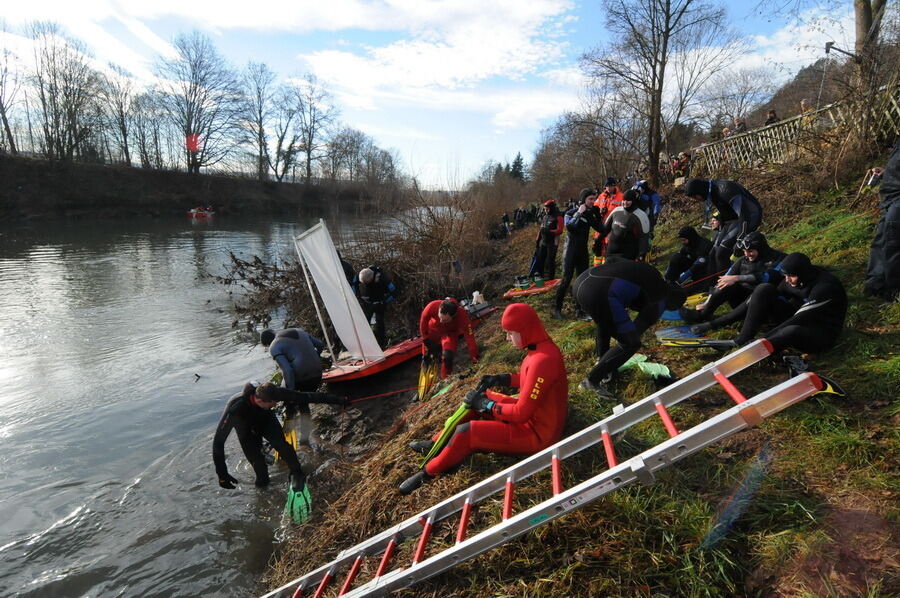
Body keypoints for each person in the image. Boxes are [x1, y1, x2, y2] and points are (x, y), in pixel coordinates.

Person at [399, 303, 568, 494]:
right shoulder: (540, 349)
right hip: (535, 416)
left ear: (524, 330)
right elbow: (530, 379)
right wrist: (502, 379)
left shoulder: (543, 360)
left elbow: (521, 413)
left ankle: (427, 472)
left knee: (467, 432)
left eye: (510, 333)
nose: (507, 338)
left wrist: (486, 405)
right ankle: (436, 442)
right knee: (481, 397)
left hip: (538, 434)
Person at [573, 260, 686, 399]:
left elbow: (609, 322)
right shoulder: (660, 300)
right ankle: (590, 382)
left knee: (607, 319)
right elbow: (633, 334)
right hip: (599, 291)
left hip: (583, 280)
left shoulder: (656, 278)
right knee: (631, 343)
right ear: (671, 304)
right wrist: (615, 358)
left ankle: (601, 363)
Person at [694, 253, 847, 353]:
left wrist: (762, 340)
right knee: (763, 289)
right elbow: (757, 300)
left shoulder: (825, 287)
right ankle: (741, 339)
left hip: (820, 332)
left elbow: (799, 319)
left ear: (803, 273)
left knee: (791, 330)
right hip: (794, 317)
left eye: (791, 276)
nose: (787, 280)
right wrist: (715, 324)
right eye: (785, 276)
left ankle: (755, 350)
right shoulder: (791, 279)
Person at [212, 382, 341, 491]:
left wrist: (338, 399)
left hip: (266, 420)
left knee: (282, 445)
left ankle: (297, 473)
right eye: (273, 403)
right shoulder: (235, 409)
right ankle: (263, 494)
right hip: (245, 430)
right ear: (260, 400)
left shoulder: (272, 392)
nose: (275, 405)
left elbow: (305, 396)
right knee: (260, 469)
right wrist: (222, 474)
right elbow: (218, 442)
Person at [685, 231, 785, 325]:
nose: (747, 254)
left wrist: (737, 278)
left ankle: (723, 321)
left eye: (750, 251)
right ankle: (703, 315)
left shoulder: (778, 258)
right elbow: (723, 280)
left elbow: (766, 277)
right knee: (726, 284)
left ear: (761, 248)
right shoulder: (743, 260)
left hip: (764, 302)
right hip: (741, 300)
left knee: (741, 284)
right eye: (744, 251)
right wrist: (708, 303)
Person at [683, 178, 763, 277]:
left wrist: (740, 238)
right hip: (734, 220)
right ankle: (712, 286)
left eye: (695, 196)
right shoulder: (711, 190)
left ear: (700, 190)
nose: (696, 199)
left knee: (722, 253)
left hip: (749, 216)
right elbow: (725, 212)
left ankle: (727, 286)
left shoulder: (725, 190)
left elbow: (743, 214)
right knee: (713, 253)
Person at [261, 328, 325, 440]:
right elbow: (320, 345)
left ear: (267, 343)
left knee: (302, 404)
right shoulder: (299, 330)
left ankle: (304, 440)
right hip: (318, 373)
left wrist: (290, 393)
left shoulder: (274, 347)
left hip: (305, 378)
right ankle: (304, 435)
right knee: (304, 400)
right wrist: (314, 358)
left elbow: (288, 371)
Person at [553, 187, 603, 319]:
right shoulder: (571, 212)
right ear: (583, 200)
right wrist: (579, 213)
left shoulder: (589, 214)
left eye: (594, 199)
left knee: (581, 281)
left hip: (582, 252)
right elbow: (570, 227)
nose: (593, 201)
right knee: (566, 280)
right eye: (590, 199)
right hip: (570, 251)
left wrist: (598, 215)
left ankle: (579, 310)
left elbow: (601, 229)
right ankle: (556, 309)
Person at [864, 141, 900, 301]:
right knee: (880, 240)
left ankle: (893, 290)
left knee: (892, 246)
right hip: (889, 198)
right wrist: (885, 173)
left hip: (898, 201)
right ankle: (875, 283)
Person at [419, 298, 479, 379]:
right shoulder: (432, 305)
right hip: (432, 331)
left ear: (453, 316)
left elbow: (470, 338)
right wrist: (425, 338)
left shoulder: (462, 316)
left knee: (447, 357)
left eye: (445, 320)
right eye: (440, 317)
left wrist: (474, 358)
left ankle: (444, 379)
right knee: (427, 358)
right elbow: (423, 321)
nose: (441, 321)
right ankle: (424, 373)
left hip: (449, 334)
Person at [352, 266, 398, 347]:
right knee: (365, 320)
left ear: (371, 278)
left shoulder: (382, 278)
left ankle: (381, 343)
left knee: (379, 321)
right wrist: (358, 296)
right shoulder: (362, 274)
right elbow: (354, 283)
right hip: (368, 301)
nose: (365, 284)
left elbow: (394, 292)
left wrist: (384, 301)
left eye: (366, 282)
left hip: (381, 300)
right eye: (364, 283)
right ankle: (366, 343)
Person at [601, 188, 650, 261]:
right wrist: (597, 241)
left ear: (633, 201)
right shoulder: (616, 211)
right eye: (623, 200)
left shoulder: (641, 215)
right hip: (610, 254)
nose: (625, 202)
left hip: (628, 257)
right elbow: (605, 229)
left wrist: (641, 255)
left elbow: (644, 238)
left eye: (628, 200)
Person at [591, 177, 625, 264]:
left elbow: (624, 212)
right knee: (597, 250)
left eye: (611, 186)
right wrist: (600, 211)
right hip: (600, 227)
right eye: (607, 186)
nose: (609, 188)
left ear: (614, 186)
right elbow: (594, 207)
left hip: (612, 228)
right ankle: (597, 269)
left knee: (608, 249)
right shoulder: (601, 196)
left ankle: (606, 267)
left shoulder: (621, 196)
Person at [530, 200, 564, 279]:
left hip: (553, 243)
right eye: (545, 209)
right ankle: (541, 276)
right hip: (543, 242)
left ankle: (551, 277)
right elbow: (541, 229)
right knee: (541, 259)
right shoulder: (545, 216)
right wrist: (537, 240)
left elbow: (560, 230)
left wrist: (549, 231)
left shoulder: (558, 217)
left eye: (547, 209)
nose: (546, 211)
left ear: (552, 208)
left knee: (550, 260)